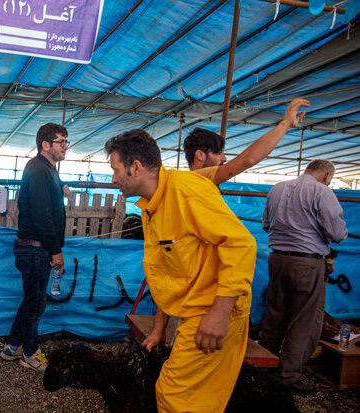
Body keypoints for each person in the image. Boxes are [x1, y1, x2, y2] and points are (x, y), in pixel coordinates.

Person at [105, 129, 256, 412]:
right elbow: (168, 273)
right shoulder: (151, 206)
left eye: (115, 170)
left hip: (213, 310)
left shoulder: (188, 191)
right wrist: (160, 328)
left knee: (175, 394)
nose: (113, 179)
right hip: (192, 309)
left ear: (135, 167)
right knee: (198, 397)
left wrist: (220, 313)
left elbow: (242, 245)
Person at [259, 159, 347, 395]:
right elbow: (337, 234)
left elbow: (266, 225)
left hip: (277, 259)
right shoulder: (322, 192)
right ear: (327, 175)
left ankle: (260, 368)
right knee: (304, 321)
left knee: (275, 315)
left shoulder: (277, 188)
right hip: (307, 263)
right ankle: (287, 377)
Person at [0, 123, 71, 372]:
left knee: (31, 299)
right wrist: (56, 251)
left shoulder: (45, 169)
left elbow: (50, 184)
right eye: (61, 141)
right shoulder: (40, 171)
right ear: (46, 145)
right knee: (36, 302)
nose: (65, 146)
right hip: (35, 248)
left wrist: (63, 185)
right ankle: (30, 353)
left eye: (66, 141)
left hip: (32, 247)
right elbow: (43, 217)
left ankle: (13, 345)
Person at [184, 98, 310, 185]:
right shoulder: (198, 178)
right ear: (200, 155)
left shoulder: (192, 184)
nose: (224, 159)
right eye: (218, 153)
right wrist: (285, 123)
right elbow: (247, 160)